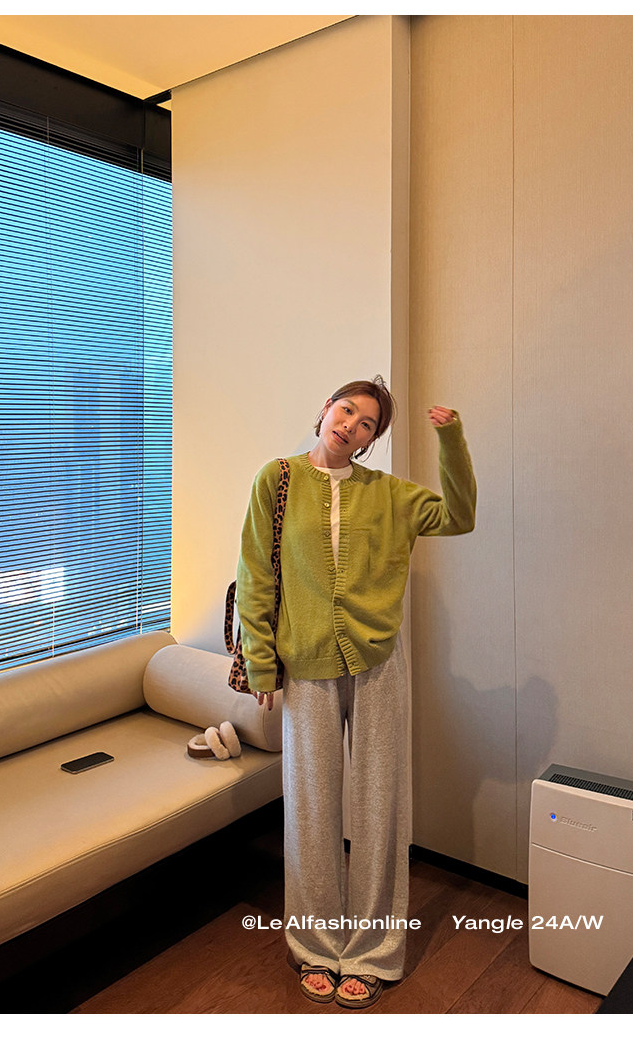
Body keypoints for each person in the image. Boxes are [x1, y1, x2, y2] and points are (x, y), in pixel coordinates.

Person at [235, 376, 476, 1009]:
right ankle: (316, 945)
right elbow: (255, 573)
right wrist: (261, 663)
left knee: (379, 808)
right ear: (324, 410)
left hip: (378, 663)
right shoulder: (275, 480)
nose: (350, 425)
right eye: (346, 410)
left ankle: (371, 952)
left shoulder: (390, 495)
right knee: (311, 810)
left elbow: (459, 517)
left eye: (367, 423)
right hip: (306, 663)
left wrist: (451, 440)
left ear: (371, 440)